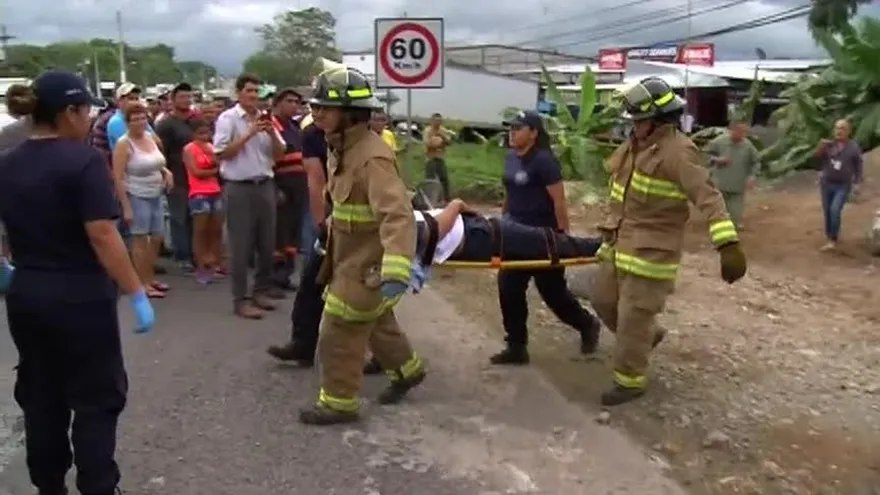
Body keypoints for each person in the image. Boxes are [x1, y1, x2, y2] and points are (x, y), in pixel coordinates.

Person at [0, 70, 154, 495]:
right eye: (85, 110)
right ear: (68, 112)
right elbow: (103, 235)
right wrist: (137, 291)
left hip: (27, 294)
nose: (89, 119)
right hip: (80, 296)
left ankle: (48, 485)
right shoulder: (82, 160)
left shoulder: (8, 162)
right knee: (95, 397)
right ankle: (99, 485)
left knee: (41, 396)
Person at [591, 77, 747, 407]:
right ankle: (646, 337)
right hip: (620, 244)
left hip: (652, 254)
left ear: (660, 121)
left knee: (634, 316)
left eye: (640, 122)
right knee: (603, 301)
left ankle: (630, 381)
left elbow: (709, 198)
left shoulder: (679, 152)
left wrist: (727, 245)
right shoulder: (635, 146)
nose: (634, 128)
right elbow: (620, 197)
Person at [298, 59, 424, 425]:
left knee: (339, 329)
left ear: (350, 113)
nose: (316, 113)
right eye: (315, 106)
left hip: (368, 263)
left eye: (324, 107)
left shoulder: (372, 157)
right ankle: (407, 370)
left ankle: (339, 403)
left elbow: (396, 215)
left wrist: (397, 266)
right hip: (349, 255)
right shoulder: (341, 147)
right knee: (375, 319)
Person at [490, 110, 602, 366]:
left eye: (518, 128)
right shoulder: (510, 158)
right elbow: (509, 192)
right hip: (515, 235)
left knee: (554, 294)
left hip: (543, 238)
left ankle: (587, 324)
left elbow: (559, 202)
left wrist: (562, 236)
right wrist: (503, 221)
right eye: (511, 128)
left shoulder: (544, 161)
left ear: (533, 133)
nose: (512, 132)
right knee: (509, 289)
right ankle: (517, 347)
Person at [214, 73, 286, 319]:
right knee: (241, 246)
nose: (254, 96)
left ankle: (261, 291)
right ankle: (240, 300)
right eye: (249, 91)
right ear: (239, 93)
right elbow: (222, 153)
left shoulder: (266, 119)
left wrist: (272, 133)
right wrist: (250, 133)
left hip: (264, 184)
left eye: (257, 92)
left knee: (266, 244)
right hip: (239, 187)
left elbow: (279, 154)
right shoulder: (228, 119)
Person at [112, 103, 173, 298]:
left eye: (142, 118)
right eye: (135, 119)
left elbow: (157, 161)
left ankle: (150, 276)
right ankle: (142, 283)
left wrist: (166, 171)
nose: (139, 122)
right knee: (140, 241)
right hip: (137, 194)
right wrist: (126, 206)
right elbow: (118, 176)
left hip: (156, 192)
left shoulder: (150, 137)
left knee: (156, 238)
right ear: (127, 123)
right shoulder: (124, 144)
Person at [155, 82, 198, 272]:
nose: (186, 100)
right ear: (173, 100)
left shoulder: (196, 121)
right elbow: (161, 152)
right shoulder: (165, 124)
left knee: (195, 217)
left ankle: (195, 253)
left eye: (189, 97)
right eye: (182, 97)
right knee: (178, 217)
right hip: (177, 176)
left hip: (197, 176)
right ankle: (182, 256)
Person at [269, 88, 307, 290]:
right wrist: (275, 189)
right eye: (290, 101)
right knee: (278, 234)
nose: (294, 106)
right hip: (281, 185)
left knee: (292, 235)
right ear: (278, 103)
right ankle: (273, 276)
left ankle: (286, 275)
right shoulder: (272, 126)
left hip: (297, 187)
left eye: (297, 102)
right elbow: (268, 160)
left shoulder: (294, 127)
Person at [184, 118, 224, 283]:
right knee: (200, 231)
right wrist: (214, 170)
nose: (204, 136)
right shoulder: (189, 149)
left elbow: (221, 165)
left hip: (215, 191)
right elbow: (196, 172)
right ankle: (201, 266)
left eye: (207, 133)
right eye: (200, 133)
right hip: (198, 192)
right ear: (193, 134)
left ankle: (214, 262)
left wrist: (214, 165)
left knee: (215, 230)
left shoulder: (211, 148)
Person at [816, 119, 863, 252]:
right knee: (827, 211)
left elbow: (858, 165)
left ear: (848, 131)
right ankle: (830, 235)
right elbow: (817, 158)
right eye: (837, 128)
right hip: (826, 183)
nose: (839, 131)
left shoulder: (853, 147)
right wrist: (820, 147)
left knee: (835, 210)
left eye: (842, 128)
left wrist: (857, 183)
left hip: (843, 185)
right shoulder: (829, 145)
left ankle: (832, 239)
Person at [704, 119, 760, 229]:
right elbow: (704, 156)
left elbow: (756, 161)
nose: (741, 134)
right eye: (739, 131)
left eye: (744, 132)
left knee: (735, 214)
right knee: (719, 209)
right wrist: (716, 159)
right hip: (719, 183)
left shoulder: (748, 146)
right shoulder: (719, 142)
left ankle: (734, 223)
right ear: (731, 130)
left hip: (737, 184)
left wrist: (753, 175)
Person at [424, 112, 453, 202]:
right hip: (430, 158)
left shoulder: (442, 130)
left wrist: (442, 137)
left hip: (440, 158)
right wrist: (437, 143)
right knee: (430, 180)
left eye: (439, 121)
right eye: (435, 121)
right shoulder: (428, 131)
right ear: (432, 121)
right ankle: (430, 200)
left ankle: (447, 200)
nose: (437, 123)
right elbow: (427, 144)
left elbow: (449, 142)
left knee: (444, 179)